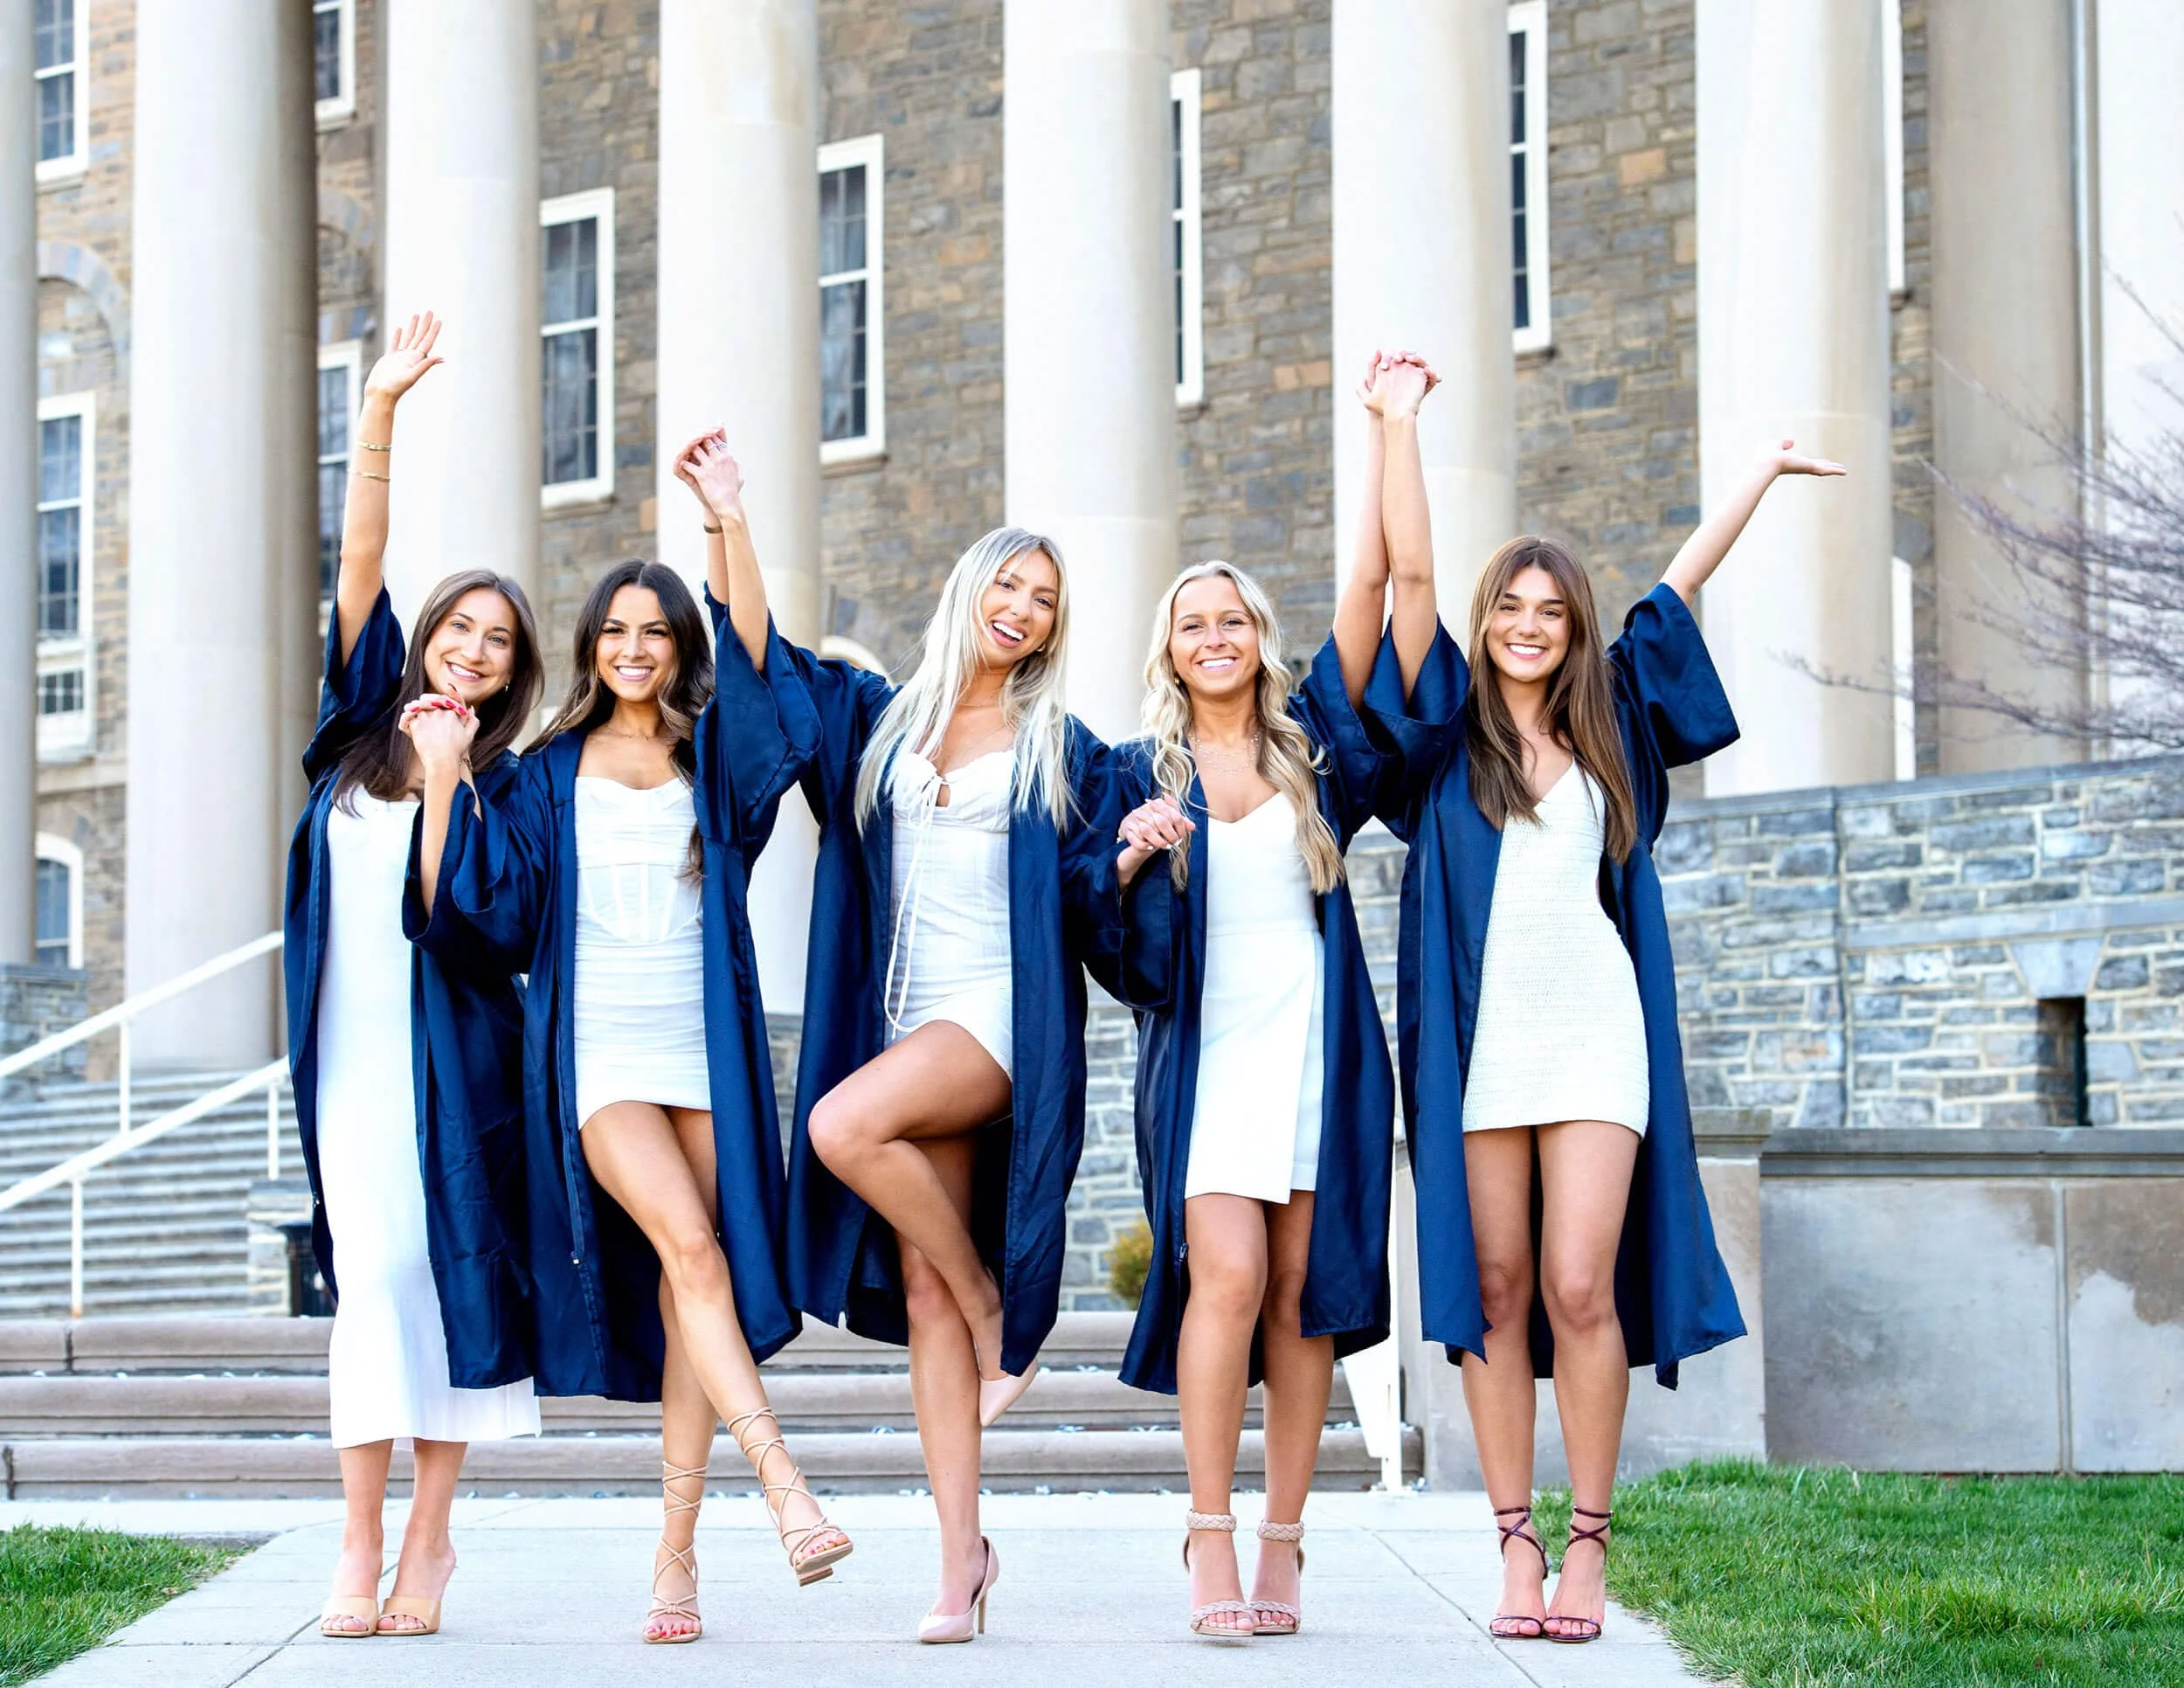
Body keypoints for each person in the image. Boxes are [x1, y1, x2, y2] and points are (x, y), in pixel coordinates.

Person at [1366, 347, 1841, 1643]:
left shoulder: (1610, 721)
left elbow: (1679, 587)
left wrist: (1760, 474)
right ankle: (1512, 1552)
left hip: (1592, 1034)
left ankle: (1588, 1549)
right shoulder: (1435, 740)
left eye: (1551, 612)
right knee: (1500, 1288)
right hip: (1480, 1048)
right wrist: (1395, 425)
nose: (1529, 627)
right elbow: (1405, 583)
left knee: (1582, 1287)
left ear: (1572, 629)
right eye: (1510, 609)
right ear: (1488, 620)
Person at [406, 434, 849, 1644]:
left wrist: (727, 519)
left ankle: (674, 1562)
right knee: (694, 1252)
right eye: (616, 630)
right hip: (599, 1058)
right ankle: (786, 1489)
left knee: (688, 1287)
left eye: (657, 630)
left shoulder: (715, 763)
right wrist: (446, 777)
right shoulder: (542, 775)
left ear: (676, 646)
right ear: (592, 645)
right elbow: (476, 917)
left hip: (704, 1047)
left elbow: (765, 679)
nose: (636, 647)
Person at [716, 526, 1125, 1643]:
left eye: (1044, 596)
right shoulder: (879, 716)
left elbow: (1092, 886)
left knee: (842, 1125)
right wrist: (732, 523)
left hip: (997, 1013)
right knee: (927, 1293)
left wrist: (1132, 854)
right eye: (1010, 582)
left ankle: (1001, 1309)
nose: (1024, 607)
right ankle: (962, 1563)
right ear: (969, 586)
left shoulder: (1060, 744)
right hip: (904, 1016)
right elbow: (767, 659)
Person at [283, 312, 547, 1640]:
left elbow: (469, 928)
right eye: (461, 629)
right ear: (427, 636)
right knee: (370, 1279)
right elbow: (359, 559)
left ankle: (421, 1549)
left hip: (447, 1069)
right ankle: (358, 1543)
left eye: (500, 643)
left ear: (513, 672)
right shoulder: (356, 728)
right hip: (344, 1057)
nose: (474, 651)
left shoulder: (504, 787)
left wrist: (450, 779)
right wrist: (380, 409)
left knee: (425, 1280)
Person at [1108, 527, 1398, 1641]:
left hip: (1313, 1052)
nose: (1215, 637)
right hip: (1206, 1059)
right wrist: (1129, 857)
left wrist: (1387, 429)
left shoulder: (1309, 748)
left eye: (1233, 619)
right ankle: (1209, 1529)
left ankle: (1283, 1537)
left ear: (1259, 639)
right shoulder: (1135, 772)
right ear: (1170, 651)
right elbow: (1102, 928)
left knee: (1296, 1293)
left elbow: (1371, 594)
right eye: (1194, 624)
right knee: (1224, 1277)